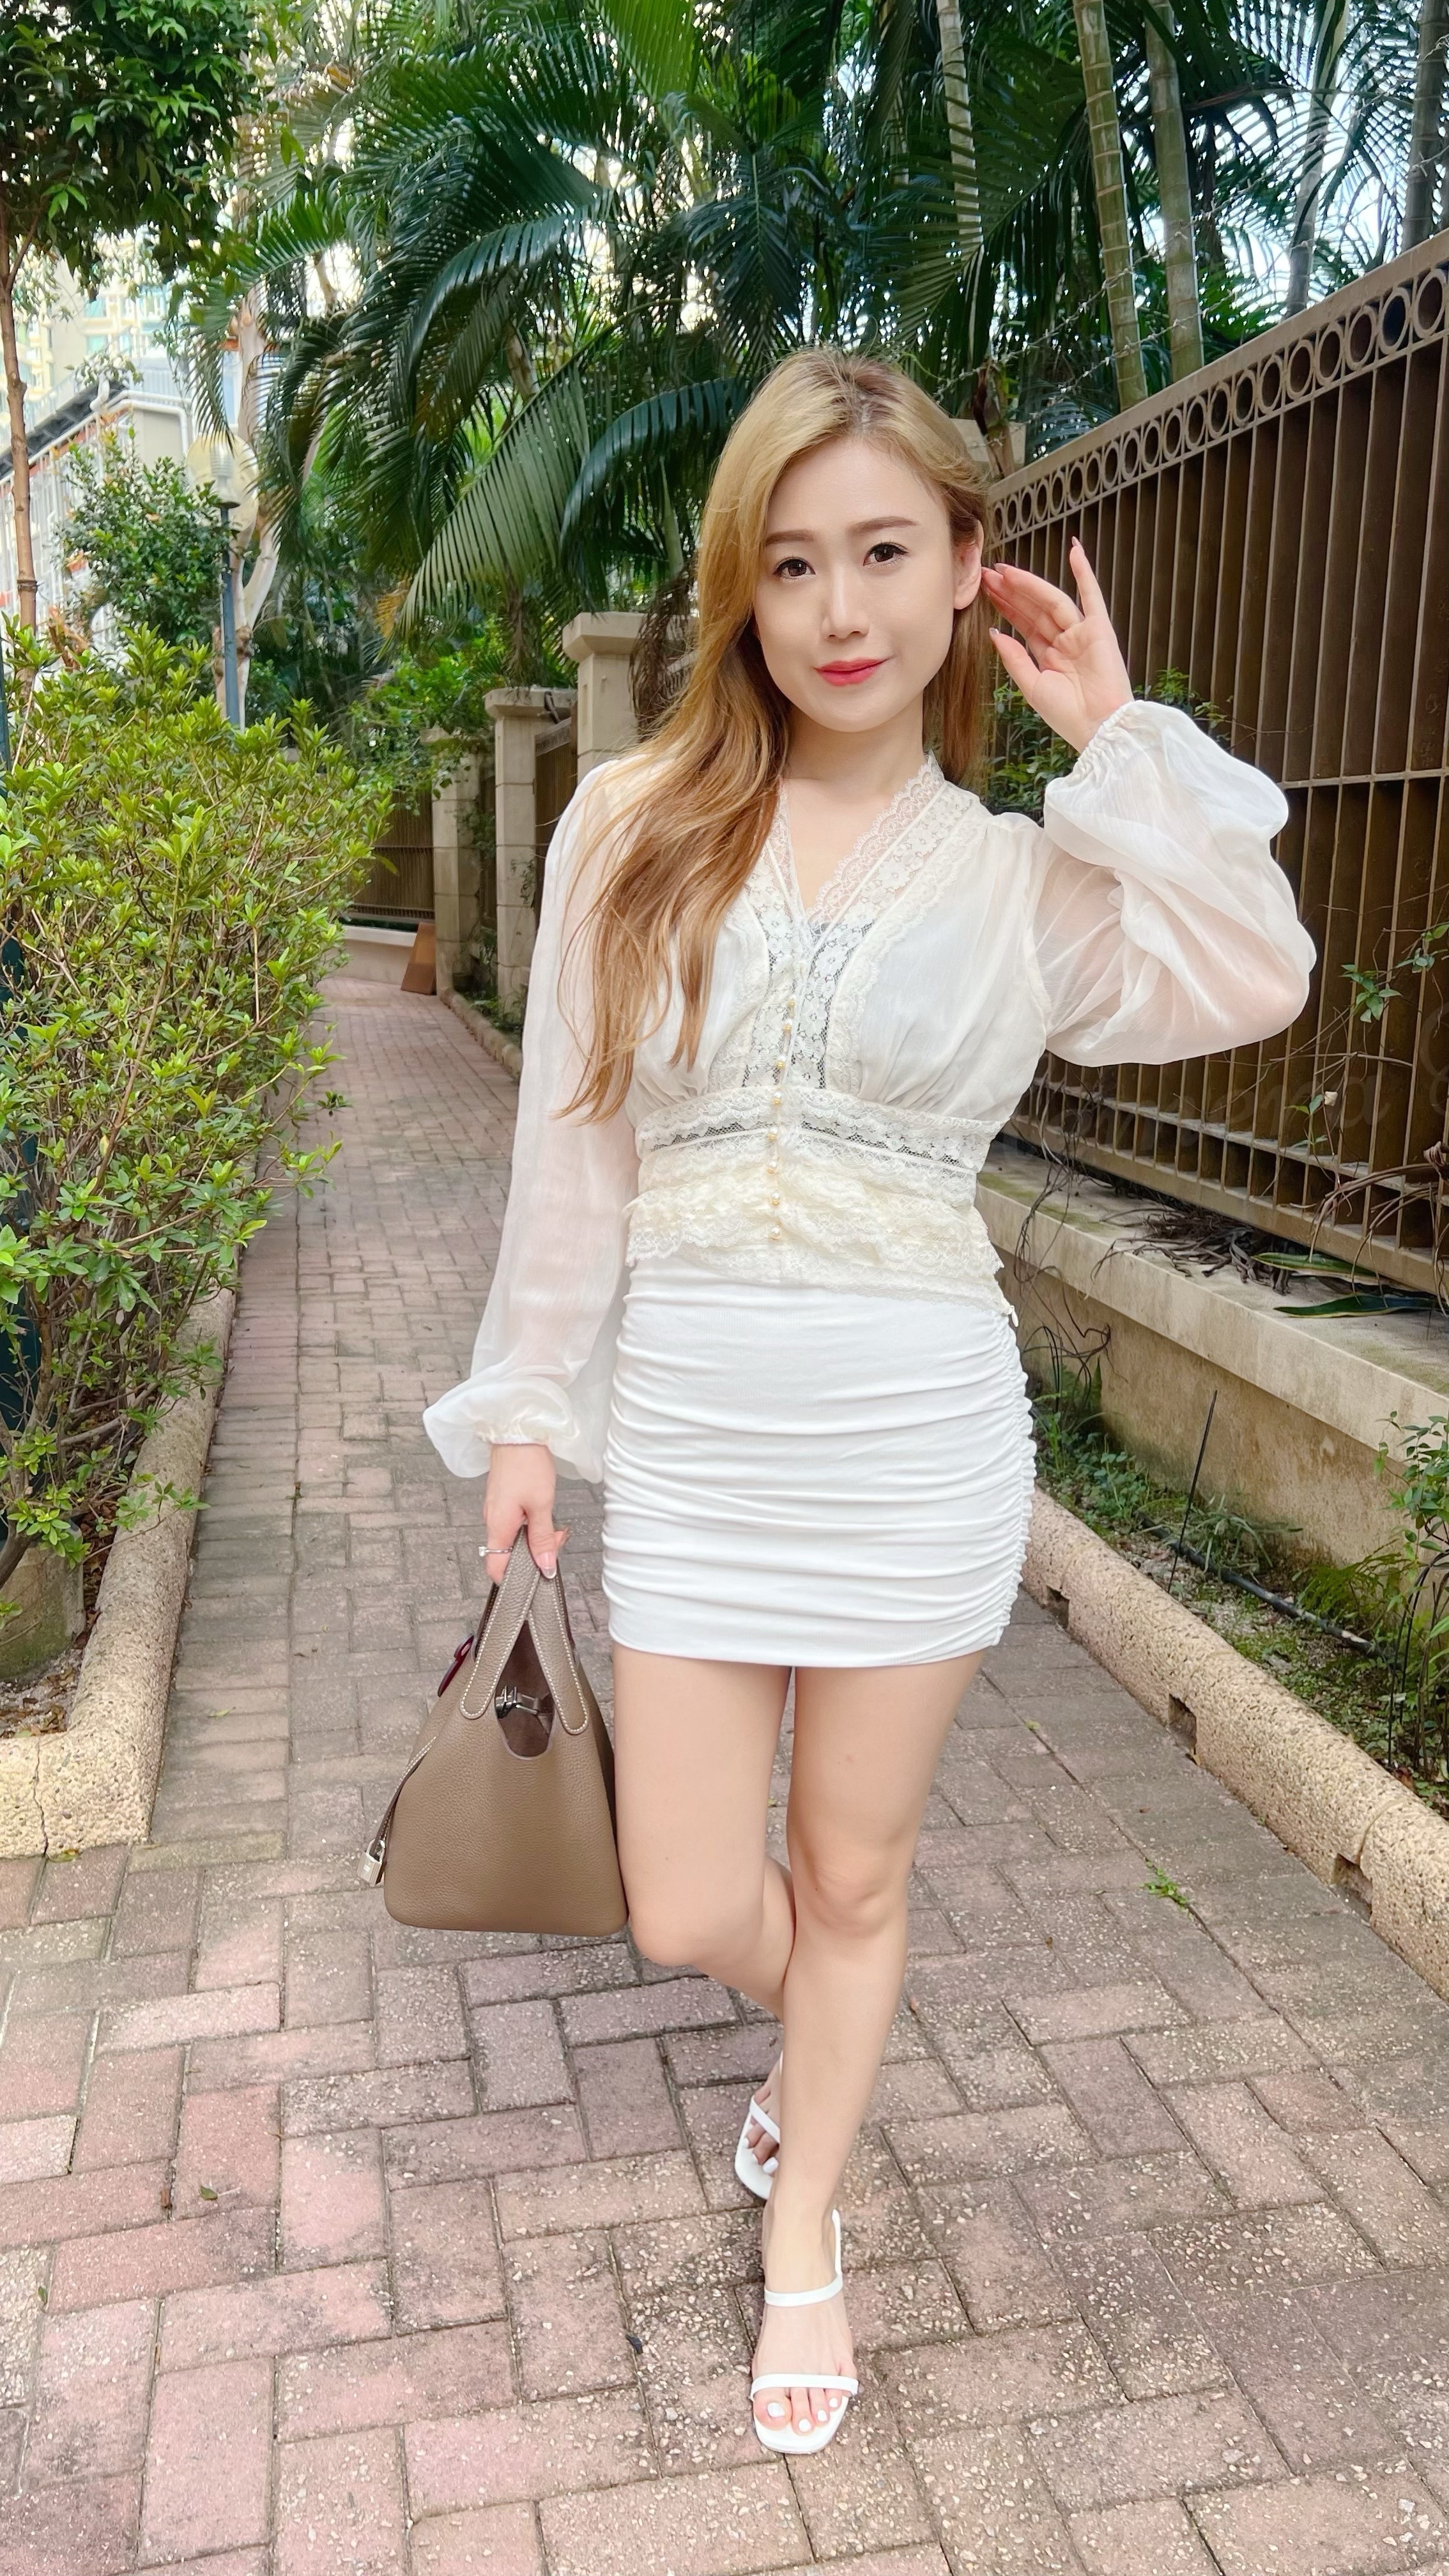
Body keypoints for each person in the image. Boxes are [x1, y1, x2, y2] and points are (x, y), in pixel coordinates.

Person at [422, 349, 1314, 2457]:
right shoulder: (634, 827)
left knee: (849, 1874)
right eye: (794, 561)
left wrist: (1116, 742)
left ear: (967, 567)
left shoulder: (1019, 879)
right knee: (680, 1901)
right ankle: (828, 2028)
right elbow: (574, 1145)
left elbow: (1252, 971)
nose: (839, 608)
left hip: (914, 1440)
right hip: (700, 1438)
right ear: (742, 587)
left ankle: (806, 2216)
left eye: (886, 553)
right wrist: (529, 1410)